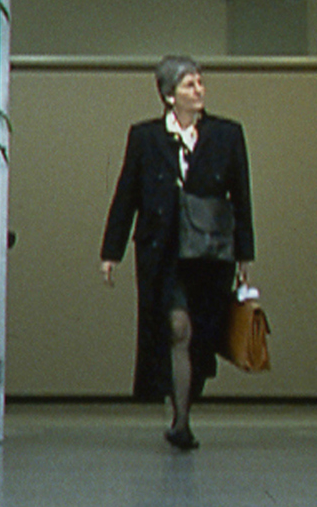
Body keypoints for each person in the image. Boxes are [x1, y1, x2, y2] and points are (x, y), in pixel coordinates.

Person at [100, 55, 255, 451]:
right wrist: (111, 250)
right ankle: (180, 420)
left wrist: (244, 255)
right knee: (176, 327)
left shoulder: (226, 135)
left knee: (199, 334)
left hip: (209, 251)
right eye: (189, 85)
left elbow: (241, 197)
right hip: (163, 251)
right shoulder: (145, 137)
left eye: (201, 83)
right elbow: (127, 195)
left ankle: (183, 403)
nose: (199, 90)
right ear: (169, 95)